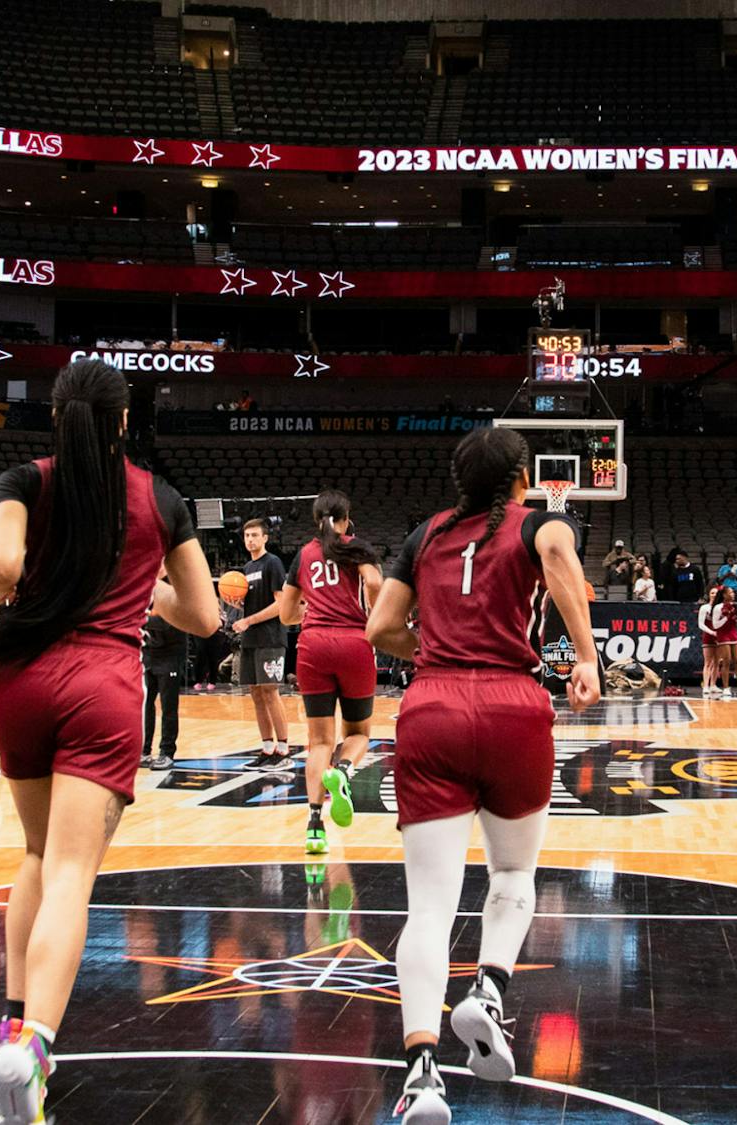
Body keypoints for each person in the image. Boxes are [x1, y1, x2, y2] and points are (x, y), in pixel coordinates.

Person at [0, 359, 219, 1123]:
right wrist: (143, 584)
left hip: (22, 680)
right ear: (120, 421)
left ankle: (13, 1022)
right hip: (103, 684)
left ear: (56, 417)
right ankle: (34, 1048)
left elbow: (0, 567)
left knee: (36, 856)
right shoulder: (161, 499)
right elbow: (204, 617)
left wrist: (25, 585)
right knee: (74, 871)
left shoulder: (23, 481)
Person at [363, 426, 599, 1122]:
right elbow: (556, 550)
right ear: (523, 477)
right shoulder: (540, 523)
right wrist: (584, 654)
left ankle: (419, 1075)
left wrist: (431, 646)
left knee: (429, 906)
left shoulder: (425, 532)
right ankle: (489, 989)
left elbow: (380, 628)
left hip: (431, 704)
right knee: (512, 877)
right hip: (511, 706)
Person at [277, 490, 383, 856]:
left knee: (318, 741)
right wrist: (371, 611)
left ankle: (313, 826)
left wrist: (309, 612)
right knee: (358, 734)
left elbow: (286, 615)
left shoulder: (303, 555)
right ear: (346, 517)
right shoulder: (358, 547)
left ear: (315, 519)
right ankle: (343, 770)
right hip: (353, 643)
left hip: (312, 646)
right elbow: (374, 583)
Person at [233, 518, 291, 771]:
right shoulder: (247, 567)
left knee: (270, 691)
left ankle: (284, 750)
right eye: (247, 536)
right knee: (256, 694)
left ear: (265, 538)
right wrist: (237, 604)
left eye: (255, 535)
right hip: (251, 638)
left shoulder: (273, 563)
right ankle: (267, 748)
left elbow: (280, 605)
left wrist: (249, 619)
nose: (250, 540)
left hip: (270, 636)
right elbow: (252, 602)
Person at [140, 564, 185, 771]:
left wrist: (143, 618)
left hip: (170, 655)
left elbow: (168, 623)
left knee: (168, 706)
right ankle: (144, 750)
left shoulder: (175, 586)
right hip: (148, 653)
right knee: (144, 705)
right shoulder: (143, 585)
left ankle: (167, 752)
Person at [713, 586, 737, 698]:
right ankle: (726, 688)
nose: (733, 594)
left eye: (733, 592)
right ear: (724, 595)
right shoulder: (718, 608)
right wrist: (726, 617)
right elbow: (715, 625)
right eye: (730, 592)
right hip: (723, 636)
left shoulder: (736, 606)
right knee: (726, 662)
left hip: (734, 635)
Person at [698, 584, 723, 697]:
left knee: (717, 662)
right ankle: (706, 686)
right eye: (712, 593)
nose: (714, 595)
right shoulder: (704, 608)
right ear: (709, 594)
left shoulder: (721, 608)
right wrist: (712, 632)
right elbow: (701, 624)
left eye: (716, 593)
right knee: (708, 662)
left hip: (719, 637)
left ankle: (713, 685)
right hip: (708, 636)